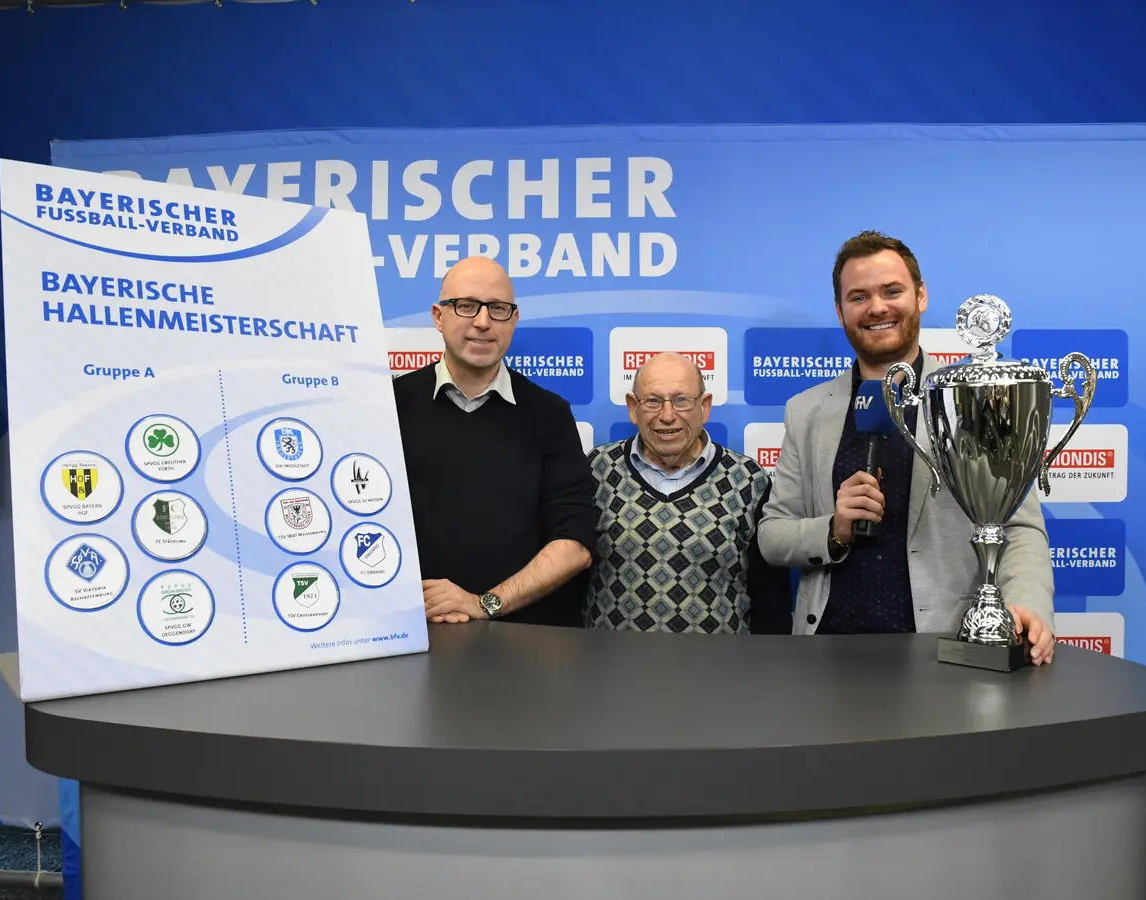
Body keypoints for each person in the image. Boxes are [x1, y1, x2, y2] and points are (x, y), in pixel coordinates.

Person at [756, 231, 1057, 662]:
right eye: (858, 297)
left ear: (920, 297)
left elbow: (1019, 528)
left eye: (892, 291)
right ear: (840, 312)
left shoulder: (972, 399)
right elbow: (773, 534)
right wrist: (834, 530)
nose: (877, 307)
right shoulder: (805, 412)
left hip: (943, 653)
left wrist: (1025, 603)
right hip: (826, 655)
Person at [393, 255, 597, 626]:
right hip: (413, 635)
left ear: (514, 320)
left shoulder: (549, 414)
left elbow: (575, 544)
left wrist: (484, 603)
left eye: (498, 309)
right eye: (466, 306)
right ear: (439, 317)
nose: (483, 322)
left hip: (529, 647)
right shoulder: (389, 406)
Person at [583, 352, 791, 634]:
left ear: (705, 407)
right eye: (653, 401)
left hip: (718, 670)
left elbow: (770, 596)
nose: (667, 416)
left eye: (681, 401)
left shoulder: (747, 479)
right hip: (613, 667)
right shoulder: (598, 469)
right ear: (633, 408)